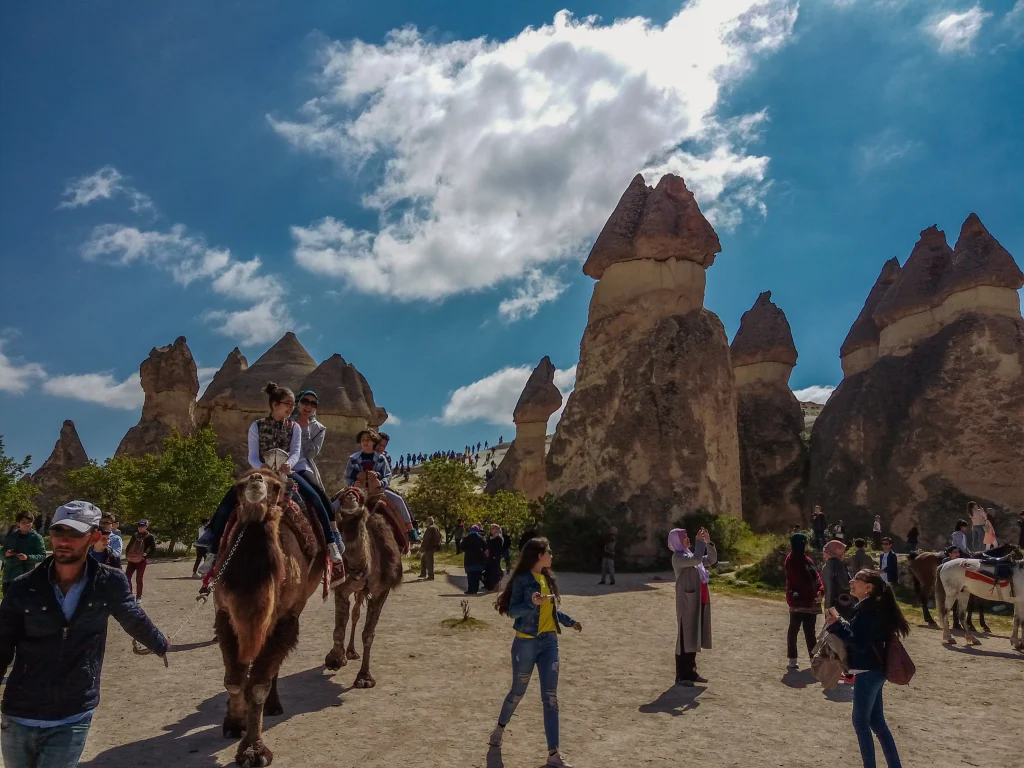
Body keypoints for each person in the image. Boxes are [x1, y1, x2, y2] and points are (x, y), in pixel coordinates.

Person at [0, 501, 168, 768]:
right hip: (19, 714)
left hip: (72, 713)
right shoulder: (23, 587)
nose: (64, 541)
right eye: (58, 532)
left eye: (75, 533)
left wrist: (160, 643)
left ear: (94, 537)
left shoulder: (109, 582)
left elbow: (131, 616)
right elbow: (2, 642)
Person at [199, 382, 345, 574]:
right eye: (288, 404)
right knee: (230, 499)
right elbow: (252, 455)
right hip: (262, 472)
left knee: (315, 498)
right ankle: (212, 549)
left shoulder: (294, 427)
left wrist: (288, 465)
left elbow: (295, 452)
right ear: (275, 404)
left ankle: (331, 543)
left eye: (292, 404)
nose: (291, 408)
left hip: (286, 472)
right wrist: (262, 467)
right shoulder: (257, 425)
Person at [489, 537, 581, 767]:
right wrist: (532, 603)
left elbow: (550, 611)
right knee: (517, 692)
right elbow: (513, 611)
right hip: (526, 644)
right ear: (539, 555)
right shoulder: (522, 580)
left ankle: (554, 754)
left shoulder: (548, 579)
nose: (551, 555)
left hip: (549, 643)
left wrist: (570, 621)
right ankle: (499, 729)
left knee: (551, 697)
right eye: (549, 552)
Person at [825, 569, 909, 768]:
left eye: (856, 579)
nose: (851, 582)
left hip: (868, 671)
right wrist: (840, 624)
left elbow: (858, 642)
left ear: (868, 587)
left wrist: (836, 626)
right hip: (874, 669)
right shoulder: (871, 607)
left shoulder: (867, 610)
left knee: (860, 723)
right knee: (876, 722)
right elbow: (861, 636)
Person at [669, 527, 717, 686]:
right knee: (685, 637)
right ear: (677, 541)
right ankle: (682, 675)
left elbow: (711, 560)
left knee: (694, 635)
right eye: (684, 537)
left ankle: (691, 672)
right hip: (686, 602)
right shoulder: (678, 557)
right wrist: (699, 542)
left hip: (697, 599)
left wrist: (708, 543)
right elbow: (697, 560)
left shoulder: (690, 555)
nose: (688, 538)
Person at [784, 532, 823, 669]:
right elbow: (797, 581)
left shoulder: (808, 560)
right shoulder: (791, 560)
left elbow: (817, 577)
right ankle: (792, 658)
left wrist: (820, 591)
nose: (807, 545)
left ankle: (813, 658)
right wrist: (810, 594)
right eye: (805, 543)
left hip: (811, 601)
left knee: (810, 631)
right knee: (793, 630)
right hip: (798, 600)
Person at [2, 513, 45, 597]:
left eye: (29, 522)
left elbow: (42, 556)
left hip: (26, 576)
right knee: (7, 602)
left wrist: (28, 557)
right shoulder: (11, 537)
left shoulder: (36, 538)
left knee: (24, 602)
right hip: (9, 575)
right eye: (24, 522)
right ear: (18, 524)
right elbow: (2, 553)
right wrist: (6, 554)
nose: (27, 524)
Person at [123, 520, 156, 602]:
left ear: (146, 527)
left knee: (139, 578)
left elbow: (153, 549)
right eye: (139, 526)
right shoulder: (135, 535)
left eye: (142, 526)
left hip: (141, 561)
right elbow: (129, 545)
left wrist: (145, 556)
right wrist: (127, 555)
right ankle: (129, 595)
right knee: (127, 577)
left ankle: (138, 597)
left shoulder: (149, 537)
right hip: (131, 559)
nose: (140, 528)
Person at [822, 540, 853, 620]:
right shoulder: (839, 564)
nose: (844, 553)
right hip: (841, 602)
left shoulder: (825, 565)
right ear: (837, 551)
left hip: (829, 602)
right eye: (842, 551)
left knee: (831, 624)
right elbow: (844, 585)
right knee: (843, 625)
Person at [462, 525, 487, 595]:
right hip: (478, 559)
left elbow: (461, 547)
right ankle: (475, 590)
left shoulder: (467, 538)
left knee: (470, 575)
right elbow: (485, 547)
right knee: (477, 575)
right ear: (477, 530)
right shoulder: (480, 538)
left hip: (469, 559)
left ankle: (470, 589)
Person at [485, 524, 505, 592]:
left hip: (495, 557)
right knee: (489, 571)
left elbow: (498, 549)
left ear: (496, 529)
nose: (491, 530)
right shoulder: (490, 537)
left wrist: (495, 556)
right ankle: (489, 586)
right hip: (489, 557)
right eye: (491, 528)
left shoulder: (498, 538)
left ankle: (494, 586)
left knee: (494, 572)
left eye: (493, 528)